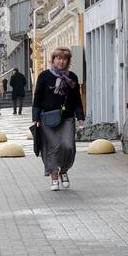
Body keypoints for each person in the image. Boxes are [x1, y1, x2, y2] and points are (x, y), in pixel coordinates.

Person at [32, 47, 85, 191]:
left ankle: (64, 171)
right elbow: (37, 98)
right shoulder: (44, 76)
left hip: (67, 117)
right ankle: (54, 178)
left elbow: (76, 98)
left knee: (68, 147)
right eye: (58, 58)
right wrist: (35, 117)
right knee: (52, 149)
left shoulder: (72, 77)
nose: (61, 61)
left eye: (64, 59)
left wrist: (80, 116)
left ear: (68, 61)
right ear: (53, 59)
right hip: (47, 118)